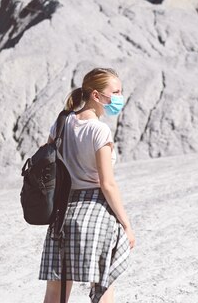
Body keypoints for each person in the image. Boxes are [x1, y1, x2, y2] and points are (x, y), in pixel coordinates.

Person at [39, 67, 135, 303]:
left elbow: (48, 165)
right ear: (95, 95)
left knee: (56, 291)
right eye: (116, 92)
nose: (119, 97)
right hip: (95, 212)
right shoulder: (99, 130)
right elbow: (107, 183)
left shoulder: (61, 123)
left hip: (62, 212)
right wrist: (127, 224)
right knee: (102, 289)